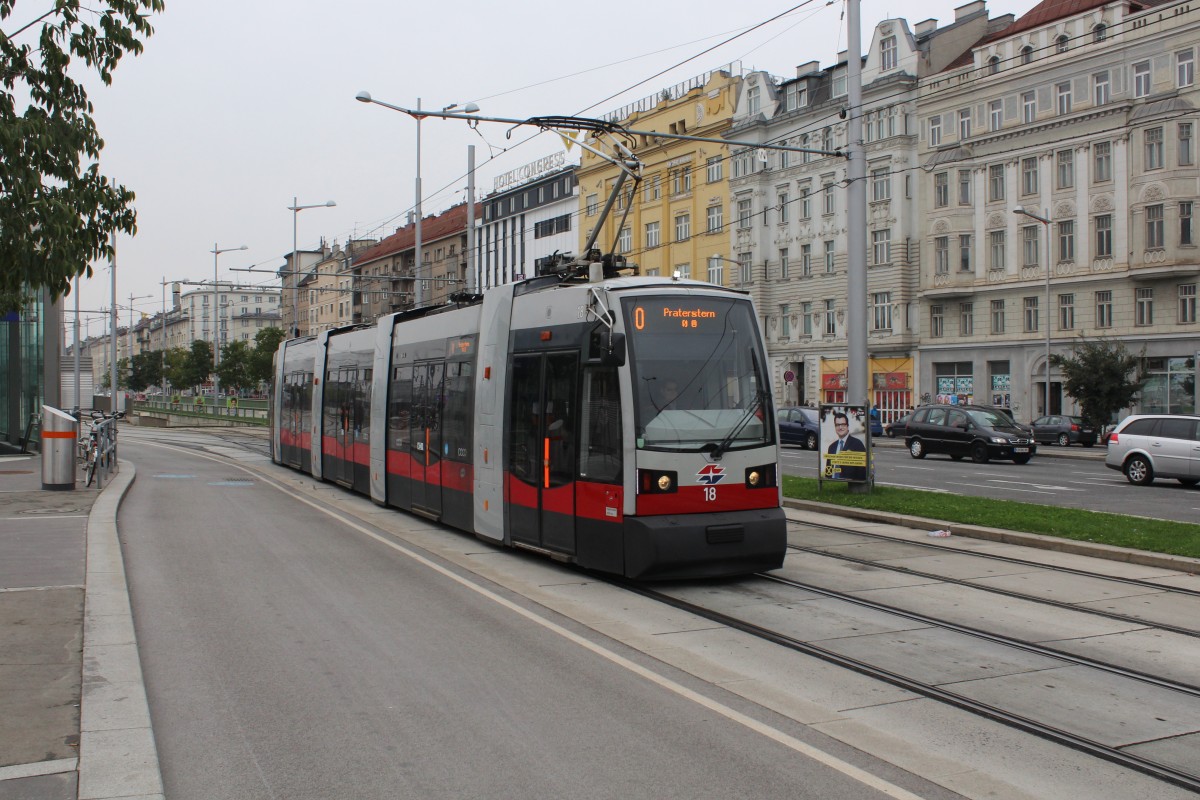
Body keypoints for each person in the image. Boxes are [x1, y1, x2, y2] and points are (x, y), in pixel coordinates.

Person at [826, 410, 867, 481]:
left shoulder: (857, 444)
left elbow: (862, 471)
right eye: (837, 425)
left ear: (847, 426)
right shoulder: (831, 447)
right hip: (833, 483)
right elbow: (828, 471)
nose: (840, 427)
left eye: (843, 424)